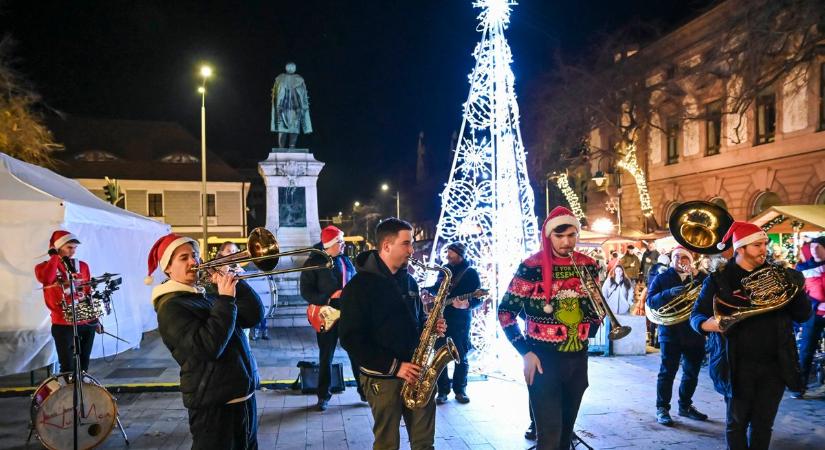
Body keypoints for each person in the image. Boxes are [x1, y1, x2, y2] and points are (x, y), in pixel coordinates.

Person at [690, 221, 810, 450]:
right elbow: (696, 316)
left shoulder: (780, 275)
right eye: (757, 245)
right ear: (741, 248)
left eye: (765, 244)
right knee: (736, 424)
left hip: (774, 364)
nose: (764, 249)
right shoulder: (719, 279)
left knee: (763, 425)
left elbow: (803, 315)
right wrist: (709, 325)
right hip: (736, 366)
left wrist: (798, 292)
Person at [147, 233, 264, 449]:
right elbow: (208, 347)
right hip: (215, 407)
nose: (194, 262)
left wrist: (237, 285)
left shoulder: (205, 294)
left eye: (194, 255)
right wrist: (226, 300)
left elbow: (254, 316)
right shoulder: (171, 307)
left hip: (243, 399)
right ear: (168, 268)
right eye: (183, 258)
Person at [498, 206, 601, 450]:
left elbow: (596, 311)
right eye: (560, 236)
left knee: (566, 435)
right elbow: (505, 313)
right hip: (542, 360)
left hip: (577, 358)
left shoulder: (588, 265)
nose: (567, 242)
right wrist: (525, 351)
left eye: (572, 235)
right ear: (548, 236)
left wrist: (593, 314)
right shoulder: (530, 267)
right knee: (550, 436)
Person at [339, 218, 447, 450]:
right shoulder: (359, 287)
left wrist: (428, 326)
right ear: (387, 246)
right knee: (387, 444)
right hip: (383, 378)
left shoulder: (408, 281)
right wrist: (395, 366)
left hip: (417, 373)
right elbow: (351, 339)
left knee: (424, 444)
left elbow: (415, 321)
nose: (412, 250)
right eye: (406, 244)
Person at [299, 225, 361, 410]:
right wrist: (327, 298)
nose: (343, 245)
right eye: (340, 242)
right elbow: (306, 291)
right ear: (330, 245)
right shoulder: (314, 262)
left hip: (348, 313)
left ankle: (364, 391)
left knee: (356, 352)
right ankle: (323, 396)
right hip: (326, 314)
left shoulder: (344, 260)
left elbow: (354, 279)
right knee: (326, 356)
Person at [646, 246, 708, 426]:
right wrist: (668, 293)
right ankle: (662, 408)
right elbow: (650, 301)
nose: (679, 260)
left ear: (690, 260)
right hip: (670, 332)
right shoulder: (662, 278)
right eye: (676, 257)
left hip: (694, 332)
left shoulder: (700, 278)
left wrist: (698, 274)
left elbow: (713, 290)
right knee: (667, 372)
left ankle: (685, 406)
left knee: (691, 372)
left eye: (684, 257)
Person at [34, 230, 101, 373]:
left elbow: (88, 293)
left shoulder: (82, 265)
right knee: (67, 366)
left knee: (83, 364)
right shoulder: (43, 267)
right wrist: (54, 257)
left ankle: (83, 391)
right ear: (57, 248)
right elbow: (47, 278)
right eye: (69, 248)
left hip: (86, 321)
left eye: (75, 248)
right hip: (63, 323)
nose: (73, 252)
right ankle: (70, 393)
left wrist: (96, 319)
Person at [425, 242, 482, 405]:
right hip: (441, 319)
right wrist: (427, 290)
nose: (448, 256)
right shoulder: (445, 269)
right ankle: (442, 391)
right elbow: (437, 288)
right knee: (439, 355)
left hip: (460, 322)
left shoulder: (470, 273)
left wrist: (467, 305)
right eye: (448, 252)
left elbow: (478, 298)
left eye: (451, 253)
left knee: (461, 356)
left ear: (460, 255)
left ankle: (460, 390)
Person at [794, 235, 825, 398]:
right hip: (813, 314)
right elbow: (799, 293)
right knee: (806, 350)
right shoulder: (803, 268)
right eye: (812, 247)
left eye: (818, 247)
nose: (815, 250)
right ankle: (799, 387)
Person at [271, 61, 312, 148]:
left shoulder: (299, 79)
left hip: (294, 108)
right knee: (283, 129)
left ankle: (291, 147)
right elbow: (276, 96)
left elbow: (303, 95)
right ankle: (281, 148)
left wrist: (302, 107)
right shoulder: (279, 79)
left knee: (294, 129)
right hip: (283, 108)